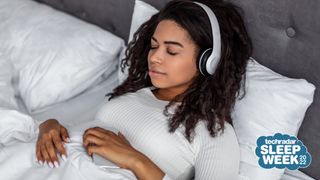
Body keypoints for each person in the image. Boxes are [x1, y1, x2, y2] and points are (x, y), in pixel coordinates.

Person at [36, 0, 252, 179]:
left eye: (172, 51)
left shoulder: (213, 132)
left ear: (208, 61)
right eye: (154, 46)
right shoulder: (133, 95)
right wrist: (49, 126)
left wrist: (135, 160)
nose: (155, 57)